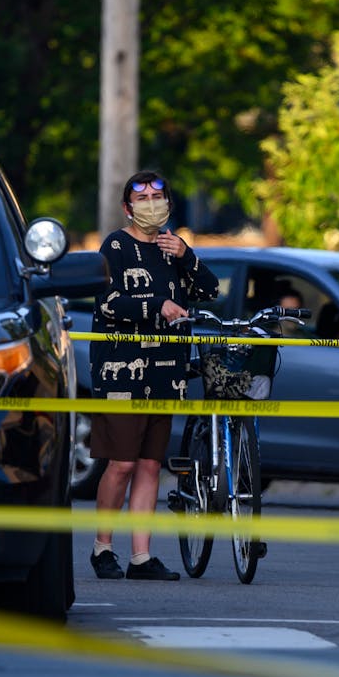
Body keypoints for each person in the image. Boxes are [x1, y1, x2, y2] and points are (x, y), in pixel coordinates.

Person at [90, 170, 219, 581]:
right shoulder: (116, 244)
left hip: (168, 370)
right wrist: (157, 305)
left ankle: (141, 557)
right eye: (141, 197)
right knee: (122, 464)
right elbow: (108, 302)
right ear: (128, 207)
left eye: (157, 195)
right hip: (122, 369)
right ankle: (102, 547)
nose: (151, 203)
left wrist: (187, 256)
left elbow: (210, 290)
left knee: (149, 465)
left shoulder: (174, 249)